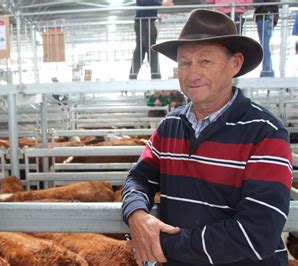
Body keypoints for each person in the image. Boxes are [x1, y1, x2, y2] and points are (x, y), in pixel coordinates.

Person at [122, 9, 291, 265]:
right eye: (184, 62)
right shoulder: (169, 126)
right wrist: (136, 215)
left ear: (234, 64)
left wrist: (159, 242)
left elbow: (258, 233)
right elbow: (138, 177)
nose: (192, 74)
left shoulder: (265, 132)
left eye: (205, 62)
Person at [129, 0, 173, 80]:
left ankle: (133, 76)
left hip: (143, 23)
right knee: (151, 50)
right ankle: (156, 76)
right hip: (145, 23)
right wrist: (162, 3)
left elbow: (147, 5)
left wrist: (157, 15)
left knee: (140, 51)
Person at [254, 0, 278, 77]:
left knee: (264, 44)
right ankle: (267, 68)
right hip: (269, 15)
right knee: (265, 43)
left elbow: (257, 3)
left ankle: (267, 69)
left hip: (264, 15)